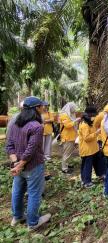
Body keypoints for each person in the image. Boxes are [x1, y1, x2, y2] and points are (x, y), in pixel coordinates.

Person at [6, 96, 51, 230]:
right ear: (36, 108)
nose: (44, 107)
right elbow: (31, 150)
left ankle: (17, 216)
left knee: (17, 191)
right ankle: (32, 223)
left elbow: (9, 146)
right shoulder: (37, 126)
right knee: (34, 193)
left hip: (18, 166)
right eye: (41, 106)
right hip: (33, 166)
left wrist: (16, 164)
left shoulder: (15, 124)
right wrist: (20, 165)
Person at [78, 106, 105, 188]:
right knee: (87, 166)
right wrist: (96, 133)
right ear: (90, 115)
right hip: (87, 150)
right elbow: (86, 138)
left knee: (98, 162)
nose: (95, 117)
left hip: (94, 148)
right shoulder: (84, 125)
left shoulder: (89, 122)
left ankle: (100, 174)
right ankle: (86, 182)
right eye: (94, 115)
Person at [59, 102, 80, 174]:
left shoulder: (70, 114)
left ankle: (66, 165)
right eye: (73, 108)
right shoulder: (64, 115)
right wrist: (76, 121)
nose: (75, 110)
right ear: (70, 108)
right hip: (67, 137)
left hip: (71, 136)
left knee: (69, 152)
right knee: (66, 153)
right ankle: (64, 168)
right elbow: (67, 125)